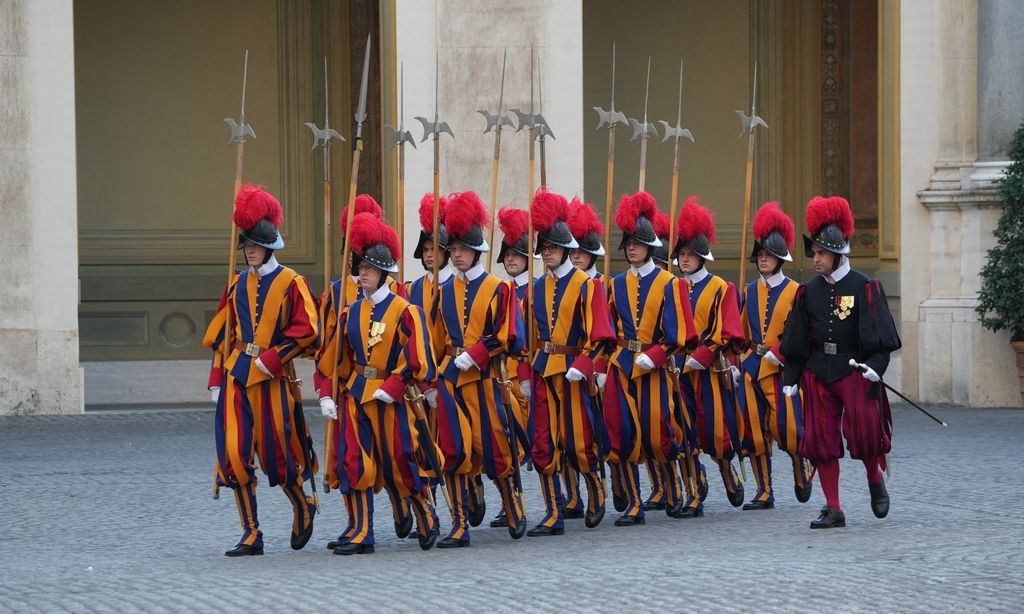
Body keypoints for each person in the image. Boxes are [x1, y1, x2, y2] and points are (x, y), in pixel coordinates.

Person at [203, 184, 320, 556]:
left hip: (272, 378)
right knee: (234, 455)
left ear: (268, 245)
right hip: (238, 373)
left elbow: (307, 330)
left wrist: (273, 360)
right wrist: (217, 378)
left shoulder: (291, 283)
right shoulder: (235, 282)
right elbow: (225, 334)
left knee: (278, 456)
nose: (249, 250)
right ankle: (251, 532)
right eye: (245, 245)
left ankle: (302, 503)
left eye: (254, 244)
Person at [315, 212, 440, 553]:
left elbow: (420, 360)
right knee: (352, 461)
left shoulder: (405, 311)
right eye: (360, 268)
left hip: (391, 397)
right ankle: (361, 532)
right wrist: (326, 393)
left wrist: (395, 386)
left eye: (368, 269)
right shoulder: (350, 312)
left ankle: (425, 513)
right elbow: (333, 361)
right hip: (356, 394)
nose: (362, 274)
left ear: (384, 272)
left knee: (401, 461)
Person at [780, 196, 901, 529]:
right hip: (819, 372)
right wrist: (791, 376)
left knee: (864, 435)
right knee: (820, 441)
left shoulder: (865, 286)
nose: (815, 259)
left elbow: (882, 340)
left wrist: (875, 366)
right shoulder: (809, 291)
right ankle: (833, 508)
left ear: (837, 253)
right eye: (814, 254)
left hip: (855, 371)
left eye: (820, 254)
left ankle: (874, 478)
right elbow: (798, 339)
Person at [434, 191, 527, 547]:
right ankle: (459, 523)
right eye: (451, 247)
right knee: (455, 449)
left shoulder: (498, 288)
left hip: (485, 378)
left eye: (460, 248)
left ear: (475, 250)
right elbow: (439, 338)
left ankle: (511, 503)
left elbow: (508, 334)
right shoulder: (444, 291)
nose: (455, 253)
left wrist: (477, 353)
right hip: (453, 379)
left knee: (495, 447)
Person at [523, 192, 615, 536]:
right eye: (543, 247)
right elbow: (528, 338)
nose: (546, 252)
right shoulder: (535, 289)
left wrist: (585, 363)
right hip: (544, 368)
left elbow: (601, 336)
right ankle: (552, 511)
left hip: (574, 371)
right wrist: (525, 374)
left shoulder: (586, 286)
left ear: (565, 247)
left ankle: (594, 489)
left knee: (578, 439)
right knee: (543, 442)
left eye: (551, 246)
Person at [604, 192, 690, 526]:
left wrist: (653, 358)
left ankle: (672, 486)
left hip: (654, 367)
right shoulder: (616, 284)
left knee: (658, 433)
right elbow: (608, 327)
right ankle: (634, 504)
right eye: (628, 243)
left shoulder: (670, 283)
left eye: (638, 243)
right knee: (622, 432)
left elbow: (677, 334)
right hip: (622, 363)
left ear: (650, 246)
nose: (632, 248)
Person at [735, 202, 814, 511]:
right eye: (760, 255)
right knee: (753, 431)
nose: (763, 259)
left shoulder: (797, 292)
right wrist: (736, 361)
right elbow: (740, 332)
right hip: (751, 367)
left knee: (788, 429)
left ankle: (800, 464)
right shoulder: (749, 290)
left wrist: (779, 356)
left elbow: (801, 334)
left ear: (780, 258)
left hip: (782, 367)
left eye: (768, 255)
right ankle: (764, 489)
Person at [671, 196, 746, 517]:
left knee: (715, 432)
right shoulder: (671, 287)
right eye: (681, 254)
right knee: (681, 431)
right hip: (676, 368)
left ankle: (726, 468)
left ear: (702, 257)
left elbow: (726, 330)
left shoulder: (720, 288)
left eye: (691, 254)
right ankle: (692, 492)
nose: (685, 259)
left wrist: (700, 356)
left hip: (709, 369)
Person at [488, 205, 539, 529]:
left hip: (525, 371)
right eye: (507, 254)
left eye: (516, 254)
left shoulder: (535, 292)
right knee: (507, 440)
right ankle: (511, 501)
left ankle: (558, 497)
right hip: (500, 373)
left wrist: (528, 377)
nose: (510, 259)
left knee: (535, 440)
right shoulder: (499, 290)